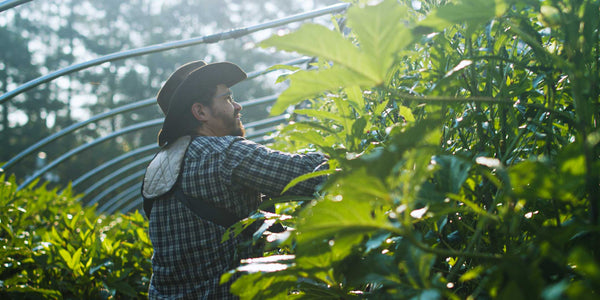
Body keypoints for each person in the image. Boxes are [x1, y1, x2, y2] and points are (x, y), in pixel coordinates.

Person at [141, 61, 328, 299]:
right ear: (200, 112)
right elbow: (308, 176)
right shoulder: (223, 153)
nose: (237, 106)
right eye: (227, 98)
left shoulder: (156, 168)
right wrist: (354, 154)